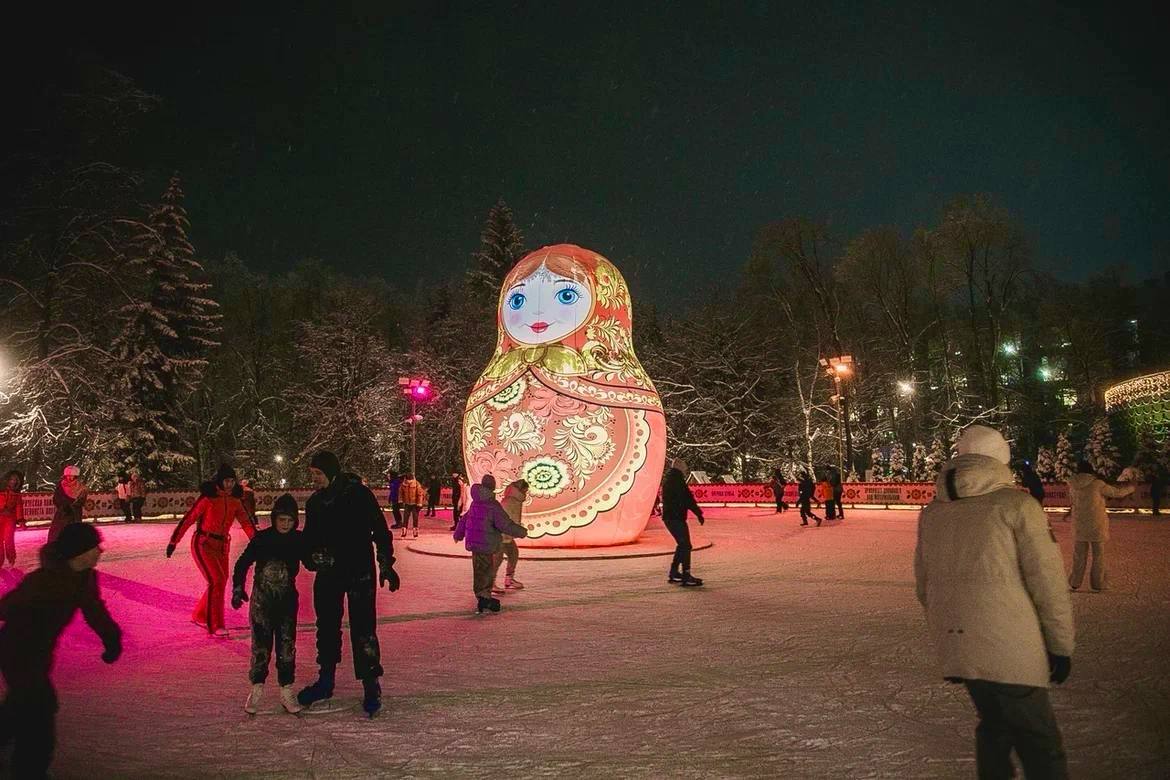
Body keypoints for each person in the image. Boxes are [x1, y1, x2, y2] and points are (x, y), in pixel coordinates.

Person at [914, 425, 1074, 780]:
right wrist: (1060, 645)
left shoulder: (933, 512)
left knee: (994, 727)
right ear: (1001, 459)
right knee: (1040, 742)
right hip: (1011, 647)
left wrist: (955, 636)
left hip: (961, 646)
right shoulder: (1018, 506)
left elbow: (925, 587)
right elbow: (1047, 584)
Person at [0, 523, 122, 778]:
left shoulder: (85, 577)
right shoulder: (44, 580)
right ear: (79, 551)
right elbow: (8, 606)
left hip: (40, 653)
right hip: (16, 651)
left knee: (21, 704)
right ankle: (29, 770)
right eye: (95, 546)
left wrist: (112, 638)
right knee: (40, 708)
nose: (100, 551)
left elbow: (94, 609)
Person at [298, 451, 399, 717]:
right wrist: (311, 558)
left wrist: (386, 563)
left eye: (318, 474)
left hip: (359, 571)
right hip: (329, 573)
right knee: (327, 626)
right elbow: (308, 540)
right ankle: (326, 680)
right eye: (313, 474)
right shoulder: (316, 503)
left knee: (364, 627)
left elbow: (380, 530)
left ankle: (370, 683)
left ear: (331, 473)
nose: (315, 479)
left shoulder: (359, 495)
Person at [232, 494, 306, 715]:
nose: (285, 524)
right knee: (261, 647)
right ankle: (256, 687)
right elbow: (243, 563)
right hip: (262, 603)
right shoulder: (262, 539)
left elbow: (310, 561)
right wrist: (238, 587)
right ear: (274, 518)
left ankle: (286, 689)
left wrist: (321, 560)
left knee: (286, 646)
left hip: (286, 603)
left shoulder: (298, 539)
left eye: (290, 521)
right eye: (282, 519)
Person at [165, 465, 256, 636]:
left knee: (220, 581)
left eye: (232, 481)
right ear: (220, 481)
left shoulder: (236, 500)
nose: (229, 484)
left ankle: (200, 614)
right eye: (226, 481)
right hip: (203, 544)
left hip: (222, 546)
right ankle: (215, 625)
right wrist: (173, 541)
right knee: (217, 580)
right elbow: (189, 518)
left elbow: (246, 522)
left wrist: (258, 542)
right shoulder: (208, 498)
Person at [453, 476, 528, 613]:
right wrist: (521, 532)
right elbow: (504, 524)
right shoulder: (492, 505)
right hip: (486, 543)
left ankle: (482, 596)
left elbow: (464, 520)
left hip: (475, 543)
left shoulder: (476, 503)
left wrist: (458, 534)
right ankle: (484, 597)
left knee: (479, 571)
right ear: (492, 487)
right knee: (486, 571)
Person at [1066, 460, 1134, 592]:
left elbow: (1073, 502)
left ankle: (1075, 582)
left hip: (1079, 524)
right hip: (1096, 524)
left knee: (1079, 555)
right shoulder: (1097, 484)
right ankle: (1098, 583)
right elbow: (1117, 493)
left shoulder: (1073, 485)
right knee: (1098, 555)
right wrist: (1131, 488)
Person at [661, 458, 705, 586]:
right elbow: (687, 498)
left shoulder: (669, 478)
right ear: (680, 468)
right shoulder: (677, 480)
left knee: (682, 544)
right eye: (684, 468)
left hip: (670, 517)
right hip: (676, 518)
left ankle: (674, 572)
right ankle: (686, 574)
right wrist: (698, 513)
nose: (686, 471)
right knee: (685, 545)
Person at [491, 479, 529, 593]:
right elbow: (505, 520)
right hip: (501, 535)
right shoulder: (510, 501)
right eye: (525, 490)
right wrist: (517, 531)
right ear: (520, 490)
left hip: (507, 535)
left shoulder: (515, 500)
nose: (526, 493)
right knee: (497, 559)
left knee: (513, 554)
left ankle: (509, 579)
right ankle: (490, 583)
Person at [49, 465, 88, 543]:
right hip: (63, 513)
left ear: (75, 476)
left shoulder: (81, 487)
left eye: (71, 476)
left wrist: (74, 506)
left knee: (74, 531)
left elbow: (82, 500)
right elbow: (56, 498)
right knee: (58, 531)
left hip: (75, 513)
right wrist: (63, 507)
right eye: (68, 476)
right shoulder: (61, 486)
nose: (69, 477)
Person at [1, 471, 25, 568]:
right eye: (11, 479)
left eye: (15, 480)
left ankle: (11, 559)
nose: (13, 482)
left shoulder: (17, 494)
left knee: (8, 540)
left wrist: (21, 520)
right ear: (7, 480)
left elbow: (19, 507)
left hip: (10, 519)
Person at [398, 471, 424, 539]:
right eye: (408, 480)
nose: (409, 482)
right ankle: (404, 532)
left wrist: (419, 503)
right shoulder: (403, 485)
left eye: (410, 480)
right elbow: (400, 493)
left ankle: (415, 532)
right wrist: (400, 501)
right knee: (405, 518)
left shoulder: (417, 484)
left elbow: (420, 494)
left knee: (415, 518)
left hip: (415, 504)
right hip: (407, 504)